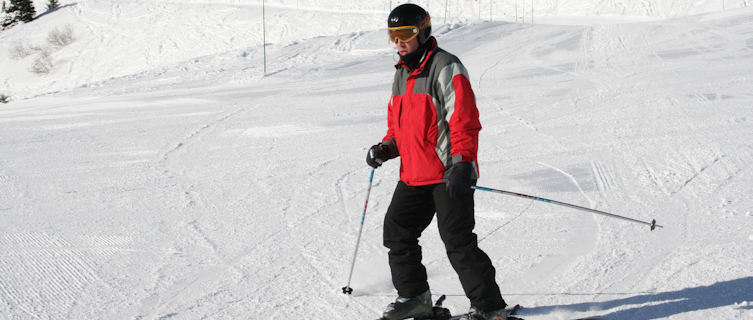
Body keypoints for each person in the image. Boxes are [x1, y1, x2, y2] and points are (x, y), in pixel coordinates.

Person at [367, 4, 508, 320]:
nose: (399, 42)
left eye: (405, 34)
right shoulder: (401, 75)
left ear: (423, 31)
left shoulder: (446, 67)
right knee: (398, 230)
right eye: (394, 35)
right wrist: (386, 149)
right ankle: (414, 297)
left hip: (448, 173)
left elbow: (464, 120)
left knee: (457, 240)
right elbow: (399, 128)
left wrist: (462, 163)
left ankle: (490, 308)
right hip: (414, 174)